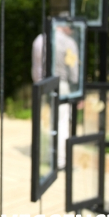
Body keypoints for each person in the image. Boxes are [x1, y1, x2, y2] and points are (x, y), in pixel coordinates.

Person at [32, 22, 79, 169]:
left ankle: (47, 154)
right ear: (66, 26)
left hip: (43, 85)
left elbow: (36, 67)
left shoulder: (40, 39)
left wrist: (39, 84)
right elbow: (74, 70)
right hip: (62, 85)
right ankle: (60, 160)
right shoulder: (68, 42)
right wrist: (77, 87)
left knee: (48, 121)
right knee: (62, 122)